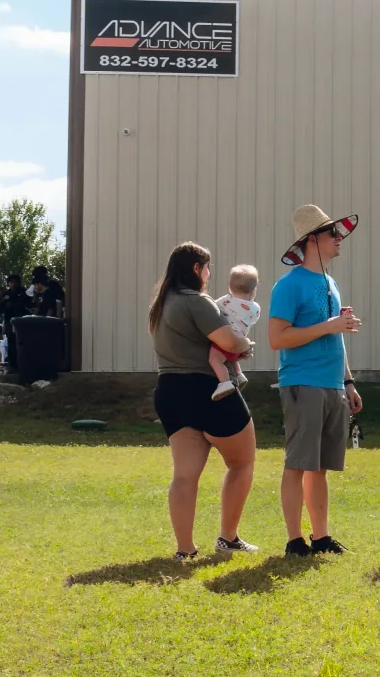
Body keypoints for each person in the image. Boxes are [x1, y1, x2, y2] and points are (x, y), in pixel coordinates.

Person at [146, 239, 260, 560]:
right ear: (196, 269)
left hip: (170, 391)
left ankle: (185, 549)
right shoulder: (197, 302)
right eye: (207, 267)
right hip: (208, 389)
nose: (209, 273)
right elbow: (228, 339)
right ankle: (228, 538)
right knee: (242, 463)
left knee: (184, 475)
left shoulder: (161, 305)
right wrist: (244, 344)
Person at [266, 203, 363, 558]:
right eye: (332, 233)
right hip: (302, 382)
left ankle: (320, 538)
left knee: (320, 467)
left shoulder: (330, 282)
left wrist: (349, 383)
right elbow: (277, 338)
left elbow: (334, 337)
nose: (339, 239)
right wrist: (330, 325)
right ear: (312, 240)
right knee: (298, 463)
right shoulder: (289, 285)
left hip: (332, 385)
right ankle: (295, 541)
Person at [209, 263, 260, 400]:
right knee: (231, 359)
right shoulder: (255, 308)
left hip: (226, 341)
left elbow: (212, 307)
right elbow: (253, 320)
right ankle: (239, 374)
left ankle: (225, 383)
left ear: (229, 287)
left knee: (215, 360)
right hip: (240, 344)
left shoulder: (226, 302)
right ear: (253, 290)